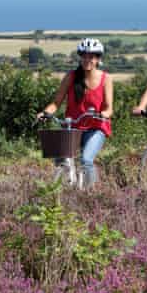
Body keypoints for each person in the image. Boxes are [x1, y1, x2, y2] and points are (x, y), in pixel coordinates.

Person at [37, 38, 113, 186]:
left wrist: (104, 114)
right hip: (73, 126)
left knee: (86, 160)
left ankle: (91, 192)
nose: (87, 59)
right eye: (84, 56)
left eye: (91, 56)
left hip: (95, 127)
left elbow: (109, 108)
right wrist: (45, 113)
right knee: (62, 159)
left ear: (98, 59)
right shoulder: (71, 77)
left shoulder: (106, 78)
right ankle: (66, 187)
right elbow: (55, 103)